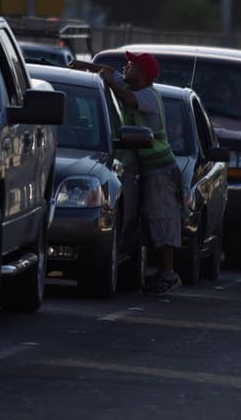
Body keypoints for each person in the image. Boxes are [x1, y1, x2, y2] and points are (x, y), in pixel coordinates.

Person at [71, 51, 182, 295]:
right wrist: (82, 66)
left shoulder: (148, 96)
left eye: (130, 65)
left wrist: (111, 83)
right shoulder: (129, 85)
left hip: (160, 169)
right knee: (151, 219)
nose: (125, 68)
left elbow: (129, 100)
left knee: (161, 218)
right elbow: (108, 73)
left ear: (143, 74)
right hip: (145, 168)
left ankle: (168, 273)